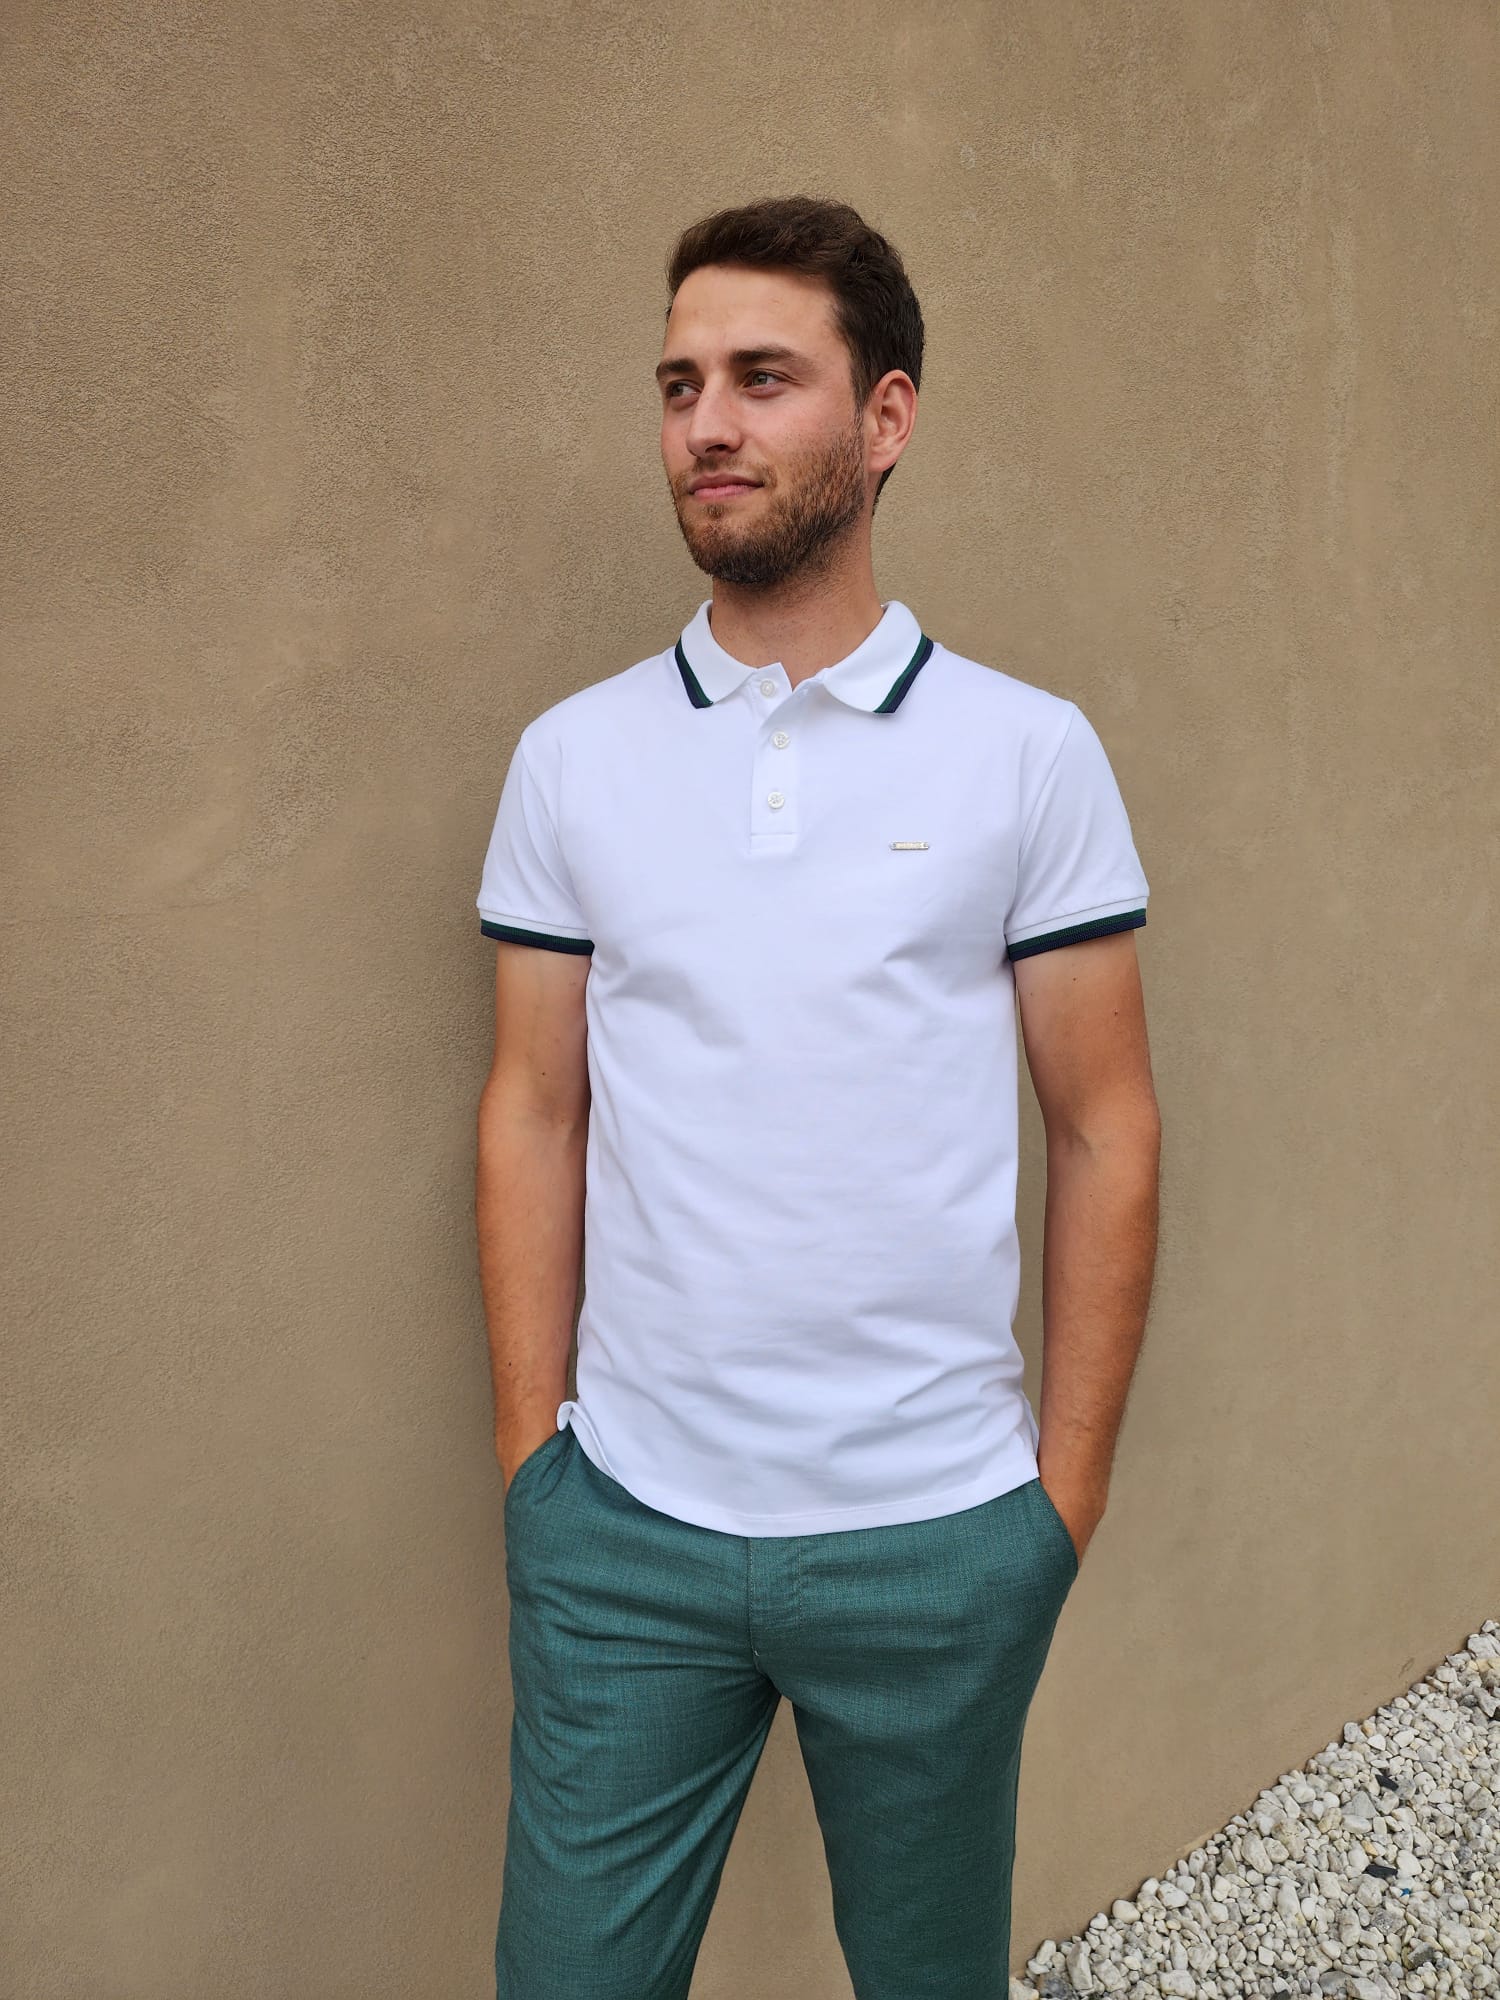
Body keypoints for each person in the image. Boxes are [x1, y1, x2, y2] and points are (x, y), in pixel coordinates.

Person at [474, 192, 1160, 2000]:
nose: (707, 424)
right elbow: (535, 1110)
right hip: (625, 1536)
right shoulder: (573, 760)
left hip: (937, 1538)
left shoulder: (1028, 754)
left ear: (887, 416)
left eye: (764, 377)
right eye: (679, 383)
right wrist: (537, 1469)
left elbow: (1105, 1124)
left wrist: (1058, 1505)